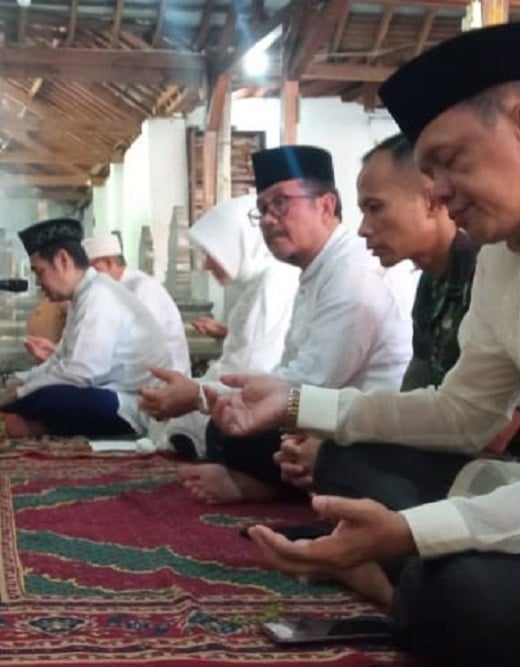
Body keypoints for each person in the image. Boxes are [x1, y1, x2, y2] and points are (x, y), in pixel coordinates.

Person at [206, 23, 520, 665]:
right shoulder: (500, 260)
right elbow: (460, 413)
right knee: (351, 467)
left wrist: (412, 530)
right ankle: (403, 577)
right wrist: (298, 403)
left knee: (463, 594)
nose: (438, 194)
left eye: (452, 161)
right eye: (428, 173)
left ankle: (396, 576)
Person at [139, 145, 413, 497]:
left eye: (281, 203)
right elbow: (288, 374)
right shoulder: (316, 271)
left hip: (358, 431)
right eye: (263, 209)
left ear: (326, 205)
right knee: (229, 429)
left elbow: (312, 385)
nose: (269, 219)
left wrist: (198, 395)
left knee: (237, 434)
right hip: (320, 417)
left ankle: (264, 487)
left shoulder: (352, 273)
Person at [281, 134, 520, 494]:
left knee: (342, 460)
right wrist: (309, 416)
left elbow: (493, 434)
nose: (363, 228)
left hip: (496, 466)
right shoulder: (432, 283)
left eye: (375, 208)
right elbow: (424, 397)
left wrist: (312, 419)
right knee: (317, 449)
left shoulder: (483, 263)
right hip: (455, 446)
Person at [0, 218, 171, 437]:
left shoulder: (100, 296)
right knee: (33, 393)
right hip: (105, 391)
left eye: (40, 272)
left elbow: (82, 373)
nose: (38, 283)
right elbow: (60, 359)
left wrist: (22, 392)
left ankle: (29, 423)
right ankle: (31, 423)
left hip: (133, 403)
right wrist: (22, 379)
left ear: (62, 260)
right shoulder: (83, 296)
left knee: (48, 398)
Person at [157, 194, 300, 457]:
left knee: (214, 428)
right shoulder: (259, 284)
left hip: (275, 405)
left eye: (214, 252)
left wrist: (196, 394)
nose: (206, 264)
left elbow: (255, 375)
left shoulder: (274, 284)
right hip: (260, 396)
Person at [70, 233, 193, 374]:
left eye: (91, 270)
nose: (88, 278)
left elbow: (138, 344)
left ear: (108, 263)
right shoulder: (106, 290)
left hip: (165, 380)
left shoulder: (144, 288)